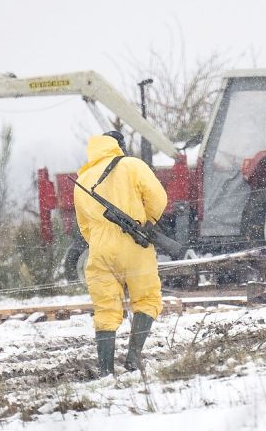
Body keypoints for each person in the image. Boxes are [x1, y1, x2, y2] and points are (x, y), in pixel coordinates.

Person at [74, 130, 168, 376]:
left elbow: (83, 225)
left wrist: (100, 241)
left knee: (105, 309)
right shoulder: (132, 165)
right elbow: (158, 199)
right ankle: (133, 359)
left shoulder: (83, 178)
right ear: (119, 146)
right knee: (147, 299)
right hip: (134, 244)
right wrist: (147, 222)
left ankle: (105, 370)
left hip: (99, 250)